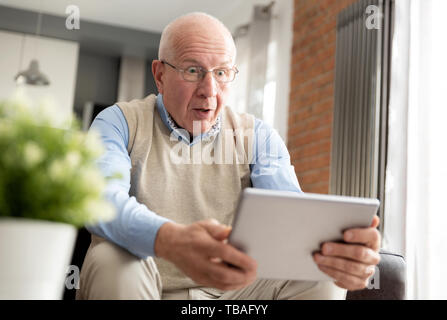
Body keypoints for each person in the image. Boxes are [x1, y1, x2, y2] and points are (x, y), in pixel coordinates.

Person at [76, 12, 381, 300]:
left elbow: (289, 222)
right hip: (146, 285)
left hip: (233, 295)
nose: (209, 90)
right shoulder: (118, 121)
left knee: (319, 272)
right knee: (111, 256)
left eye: (221, 72)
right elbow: (100, 200)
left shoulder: (258, 135)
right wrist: (172, 241)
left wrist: (341, 257)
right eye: (193, 70)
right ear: (160, 75)